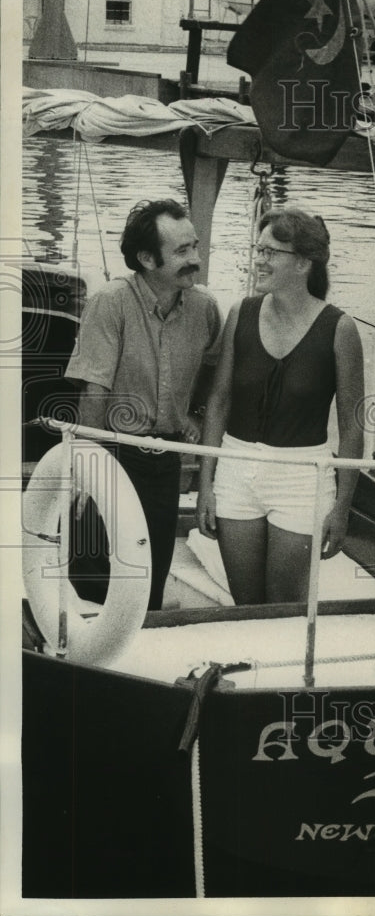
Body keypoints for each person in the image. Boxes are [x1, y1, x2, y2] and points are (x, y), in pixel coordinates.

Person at [196, 206, 365, 605]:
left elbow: (353, 426)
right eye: (259, 249)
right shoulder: (242, 312)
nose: (259, 259)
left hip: (302, 478)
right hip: (236, 470)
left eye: (271, 252)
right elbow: (218, 401)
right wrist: (205, 484)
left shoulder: (340, 329)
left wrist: (342, 508)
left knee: (284, 606)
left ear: (304, 263)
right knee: (246, 604)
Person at [65, 198, 223, 610]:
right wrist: (88, 473)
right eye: (183, 251)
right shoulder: (110, 302)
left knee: (149, 579)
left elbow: (213, 374)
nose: (196, 259)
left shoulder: (205, 309)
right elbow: (93, 393)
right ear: (147, 259)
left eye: (195, 246)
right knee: (98, 580)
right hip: (114, 453)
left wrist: (194, 414)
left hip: (166, 459)